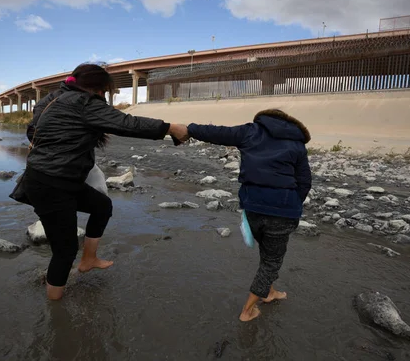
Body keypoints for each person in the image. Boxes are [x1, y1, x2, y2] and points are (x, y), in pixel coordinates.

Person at [20, 63, 189, 300]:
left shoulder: (51, 99)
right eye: (105, 92)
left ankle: (89, 259)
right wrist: (170, 128)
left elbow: (32, 132)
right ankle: (55, 310)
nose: (104, 96)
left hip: (56, 179)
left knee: (102, 206)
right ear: (98, 88)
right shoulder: (83, 103)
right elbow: (127, 123)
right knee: (65, 251)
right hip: (51, 185)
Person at [186, 109, 312, 322]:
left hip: (251, 207)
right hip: (282, 211)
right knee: (272, 261)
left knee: (267, 253)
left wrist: (189, 129)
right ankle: (248, 310)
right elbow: (304, 182)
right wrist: (290, 204)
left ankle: (270, 292)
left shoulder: (251, 132)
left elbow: (217, 133)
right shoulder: (297, 144)